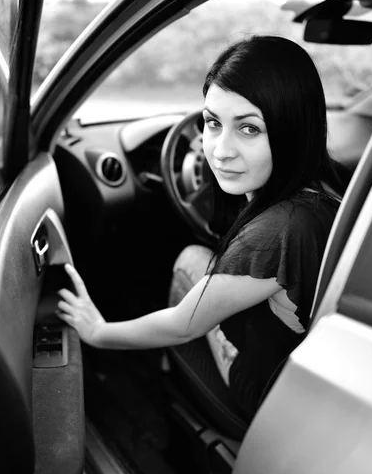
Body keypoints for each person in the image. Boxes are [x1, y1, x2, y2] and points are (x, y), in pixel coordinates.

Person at [57, 35, 348, 421]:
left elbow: (180, 325)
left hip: (269, 397)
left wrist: (97, 332)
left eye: (248, 129)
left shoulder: (277, 230)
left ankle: (172, 384)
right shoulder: (332, 186)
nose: (220, 151)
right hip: (315, 371)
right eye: (212, 123)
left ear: (291, 127)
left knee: (189, 263)